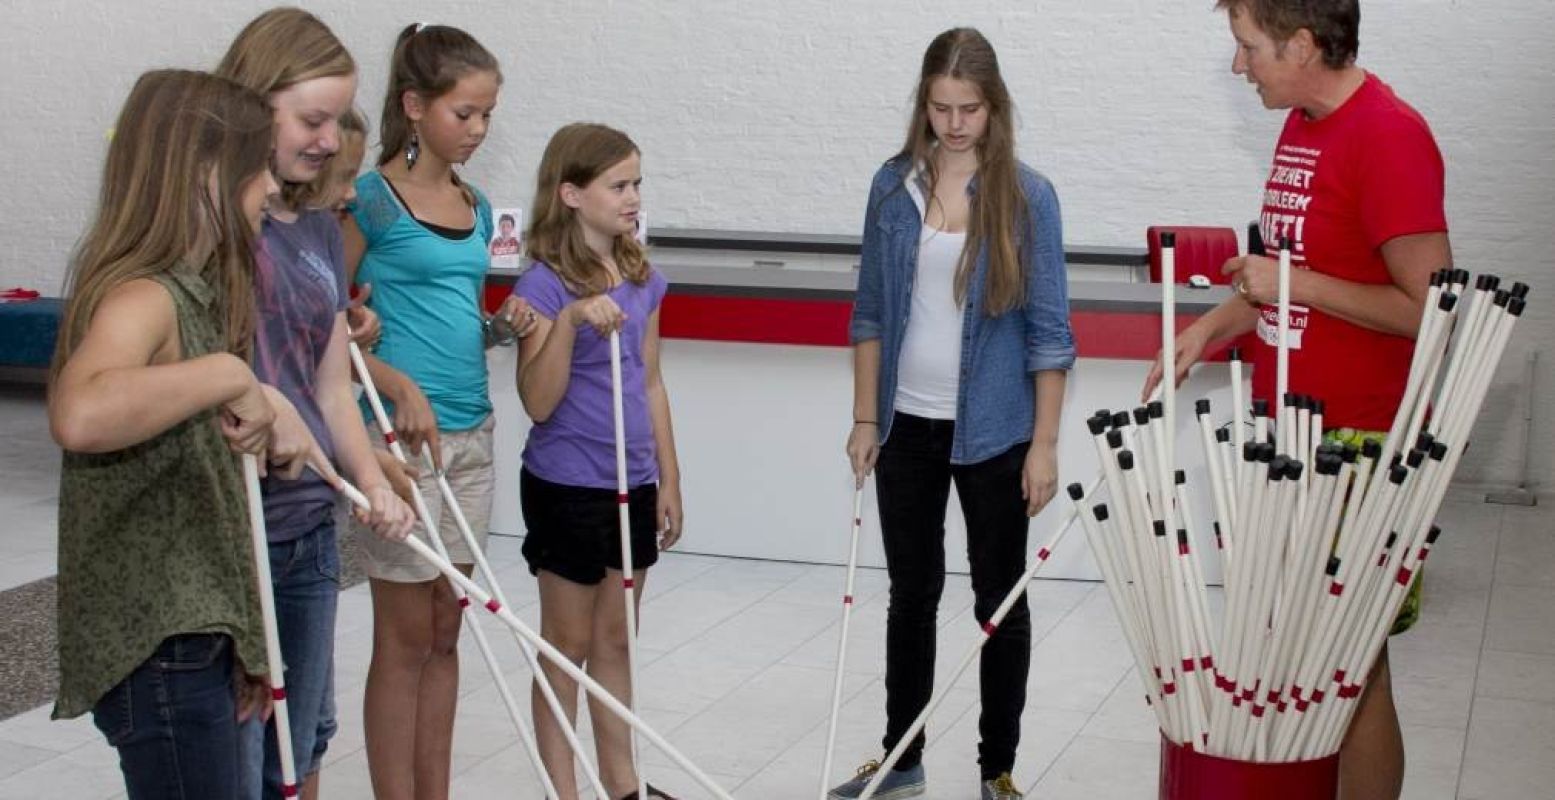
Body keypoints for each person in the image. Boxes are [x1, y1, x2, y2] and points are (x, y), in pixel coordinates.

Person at [1142, 3, 1451, 797]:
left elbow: (1432, 310)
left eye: (1248, 49)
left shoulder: (1387, 135)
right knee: (1316, 670)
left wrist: (1293, 283)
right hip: (1293, 438)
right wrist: (1208, 329)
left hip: (1360, 445)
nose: (1239, 67)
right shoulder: (1302, 124)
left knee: (1349, 671)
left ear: (1303, 44)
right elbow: (1284, 280)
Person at [831, 28, 1075, 800]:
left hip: (996, 433)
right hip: (907, 425)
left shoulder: (1027, 195)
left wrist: (1043, 445)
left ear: (993, 106)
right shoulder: (891, 185)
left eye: (967, 108)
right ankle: (901, 760)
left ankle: (995, 771)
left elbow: (1049, 333)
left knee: (998, 599)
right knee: (912, 594)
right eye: (939, 107)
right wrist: (865, 419)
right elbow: (869, 312)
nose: (953, 123)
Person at [49, 69, 302, 799]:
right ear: (208, 176)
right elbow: (80, 414)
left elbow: (214, 498)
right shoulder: (144, 294)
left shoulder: (194, 291)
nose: (273, 192)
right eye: (260, 173)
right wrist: (228, 372)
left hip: (197, 634)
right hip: (161, 647)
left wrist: (244, 634)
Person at [216, 8, 416, 798]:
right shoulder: (216, 225)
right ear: (252, 105)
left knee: (295, 757)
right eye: (313, 119)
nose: (333, 141)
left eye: (336, 119)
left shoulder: (320, 232)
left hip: (306, 526)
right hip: (230, 531)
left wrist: (368, 479)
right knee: (230, 756)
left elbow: (332, 382)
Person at [341, 23, 535, 800]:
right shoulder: (368, 199)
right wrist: (392, 383)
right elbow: (319, 321)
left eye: (488, 114)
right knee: (404, 635)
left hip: (471, 435)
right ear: (415, 107)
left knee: (449, 629)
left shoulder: (477, 204)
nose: (479, 130)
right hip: (397, 442)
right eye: (465, 114)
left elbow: (460, 311)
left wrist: (503, 327)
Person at [514, 122, 684, 800]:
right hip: (566, 484)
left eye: (637, 183)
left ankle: (623, 788)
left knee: (617, 640)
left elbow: (650, 382)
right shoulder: (541, 285)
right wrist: (572, 321)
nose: (632, 197)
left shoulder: (644, 278)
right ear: (571, 194)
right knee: (567, 645)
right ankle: (565, 791)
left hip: (630, 481)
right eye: (618, 185)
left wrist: (668, 476)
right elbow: (537, 400)